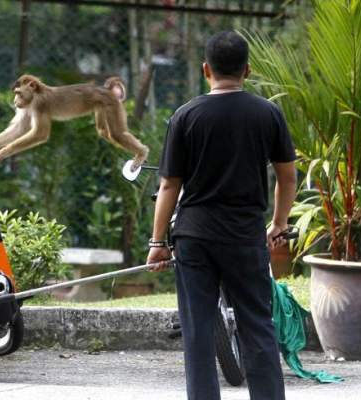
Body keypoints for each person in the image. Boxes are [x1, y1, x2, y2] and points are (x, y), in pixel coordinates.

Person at [146, 31, 297, 400]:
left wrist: (157, 242)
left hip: (194, 237)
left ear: (205, 70)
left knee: (197, 331)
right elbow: (287, 177)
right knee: (257, 325)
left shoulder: (186, 115)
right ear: (247, 70)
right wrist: (279, 223)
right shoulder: (268, 113)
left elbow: (169, 185)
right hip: (245, 236)